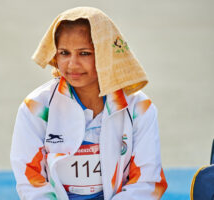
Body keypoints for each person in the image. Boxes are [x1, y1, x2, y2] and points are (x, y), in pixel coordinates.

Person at [10, 7, 168, 200]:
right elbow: (30, 181)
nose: (72, 64)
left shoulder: (139, 108)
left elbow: (147, 182)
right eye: (64, 53)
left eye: (84, 53)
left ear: (105, 55)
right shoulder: (36, 107)